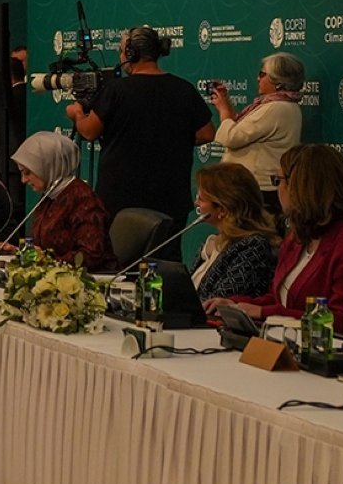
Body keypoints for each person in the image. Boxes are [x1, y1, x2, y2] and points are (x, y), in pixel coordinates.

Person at [207, 144, 343, 338]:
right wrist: (236, 305)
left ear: (301, 186)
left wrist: (263, 313)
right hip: (296, 348)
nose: (277, 189)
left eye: (278, 180)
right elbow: (281, 300)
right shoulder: (297, 236)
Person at [64, 25, 213, 255]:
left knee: (119, 262)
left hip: (121, 196)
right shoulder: (184, 89)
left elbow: (90, 130)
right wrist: (171, 137)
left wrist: (76, 112)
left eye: (122, 51)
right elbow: (206, 133)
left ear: (131, 54)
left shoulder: (117, 90)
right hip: (170, 197)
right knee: (164, 262)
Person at [1, 130, 113, 269]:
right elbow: (42, 249)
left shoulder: (82, 198)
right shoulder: (50, 195)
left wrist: (47, 260)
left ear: (47, 166)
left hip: (93, 281)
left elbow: (90, 255)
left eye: (28, 172)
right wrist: (19, 252)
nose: (24, 180)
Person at [209, 52, 303, 211]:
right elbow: (238, 128)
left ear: (278, 81)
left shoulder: (276, 108)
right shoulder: (276, 105)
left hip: (259, 191)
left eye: (262, 74)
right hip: (256, 188)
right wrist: (225, 102)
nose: (258, 78)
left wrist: (223, 109)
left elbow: (231, 137)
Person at [190, 163, 279, 303]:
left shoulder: (254, 247)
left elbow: (219, 299)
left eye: (201, 198)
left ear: (222, 209)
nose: (196, 203)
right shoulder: (212, 244)